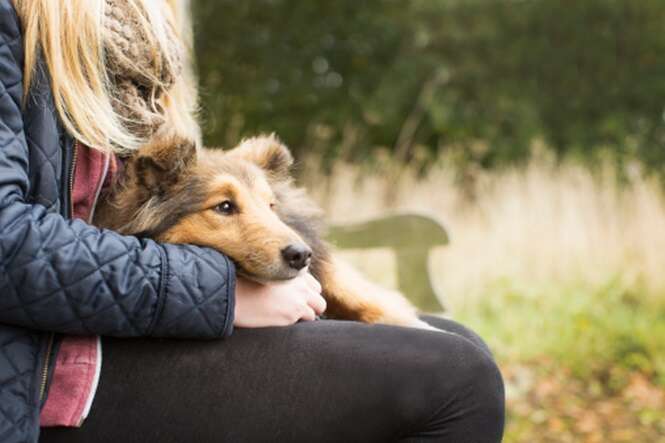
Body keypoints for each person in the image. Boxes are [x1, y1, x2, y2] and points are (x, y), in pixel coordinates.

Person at [0, 1, 505, 442]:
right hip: (35, 376)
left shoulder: (129, 27)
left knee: (460, 345)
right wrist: (222, 293)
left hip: (106, 327)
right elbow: (8, 244)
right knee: (458, 380)